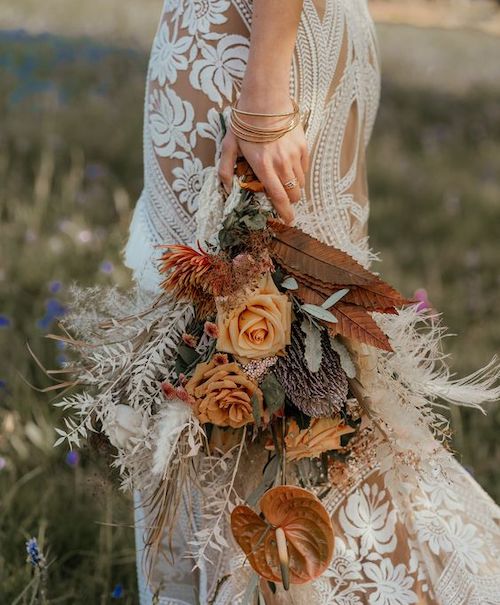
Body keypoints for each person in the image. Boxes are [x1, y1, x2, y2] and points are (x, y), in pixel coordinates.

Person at [124, 1, 500, 603]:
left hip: (246, 44)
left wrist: (265, 96)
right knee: (299, 364)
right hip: (293, 35)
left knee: (248, 359)